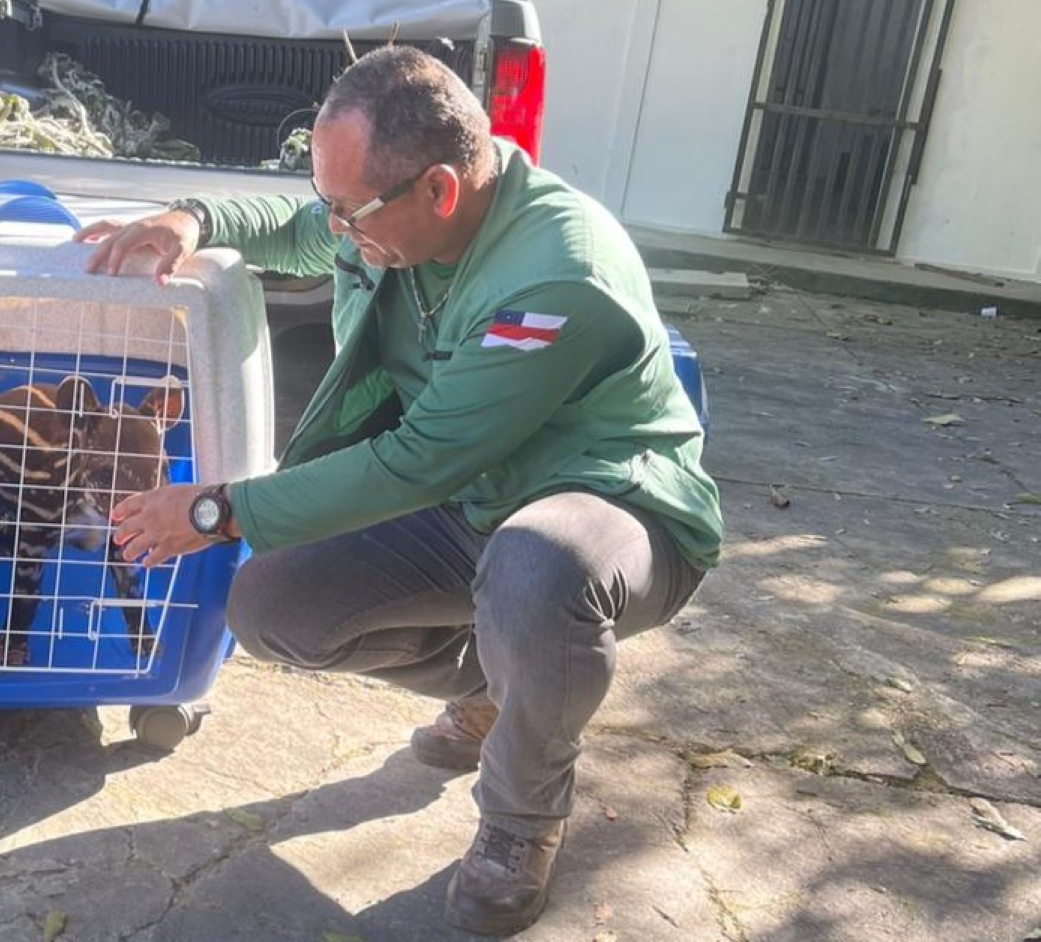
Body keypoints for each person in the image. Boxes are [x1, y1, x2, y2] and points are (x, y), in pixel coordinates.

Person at [76, 45, 723, 937]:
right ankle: (507, 684)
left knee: (539, 567)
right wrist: (192, 219)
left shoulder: (554, 277)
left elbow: (424, 459)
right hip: (473, 507)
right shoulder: (394, 216)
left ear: (441, 190)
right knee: (272, 605)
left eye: (348, 213)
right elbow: (288, 224)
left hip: (610, 512)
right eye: (331, 205)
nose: (334, 229)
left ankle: (519, 821)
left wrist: (216, 508)